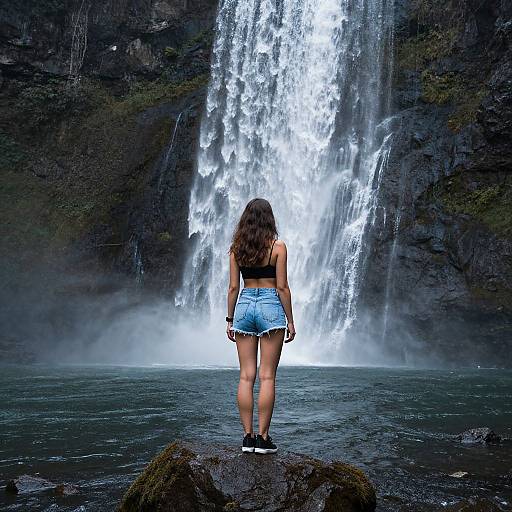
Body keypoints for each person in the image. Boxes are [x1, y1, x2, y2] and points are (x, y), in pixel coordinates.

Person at [226, 198, 296, 454]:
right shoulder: (278, 248)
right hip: (269, 306)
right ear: (270, 220)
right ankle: (263, 439)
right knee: (267, 376)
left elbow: (233, 287)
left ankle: (247, 438)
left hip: (244, 304)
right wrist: (290, 320)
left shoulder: (236, 249)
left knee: (246, 376)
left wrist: (230, 319)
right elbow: (282, 287)